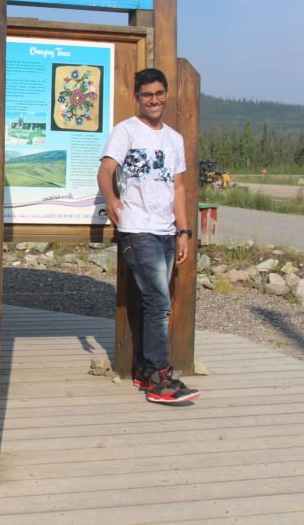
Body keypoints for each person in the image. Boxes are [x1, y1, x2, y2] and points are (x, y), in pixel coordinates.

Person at [97, 68, 201, 404]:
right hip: (137, 228)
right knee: (158, 302)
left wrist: (184, 231)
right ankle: (160, 377)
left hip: (166, 230)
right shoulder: (125, 131)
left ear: (166, 94)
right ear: (137, 97)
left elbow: (179, 186)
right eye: (147, 95)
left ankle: (144, 370)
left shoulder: (174, 139)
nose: (153, 100)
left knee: (152, 302)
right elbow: (106, 169)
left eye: (158, 93)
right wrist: (112, 198)